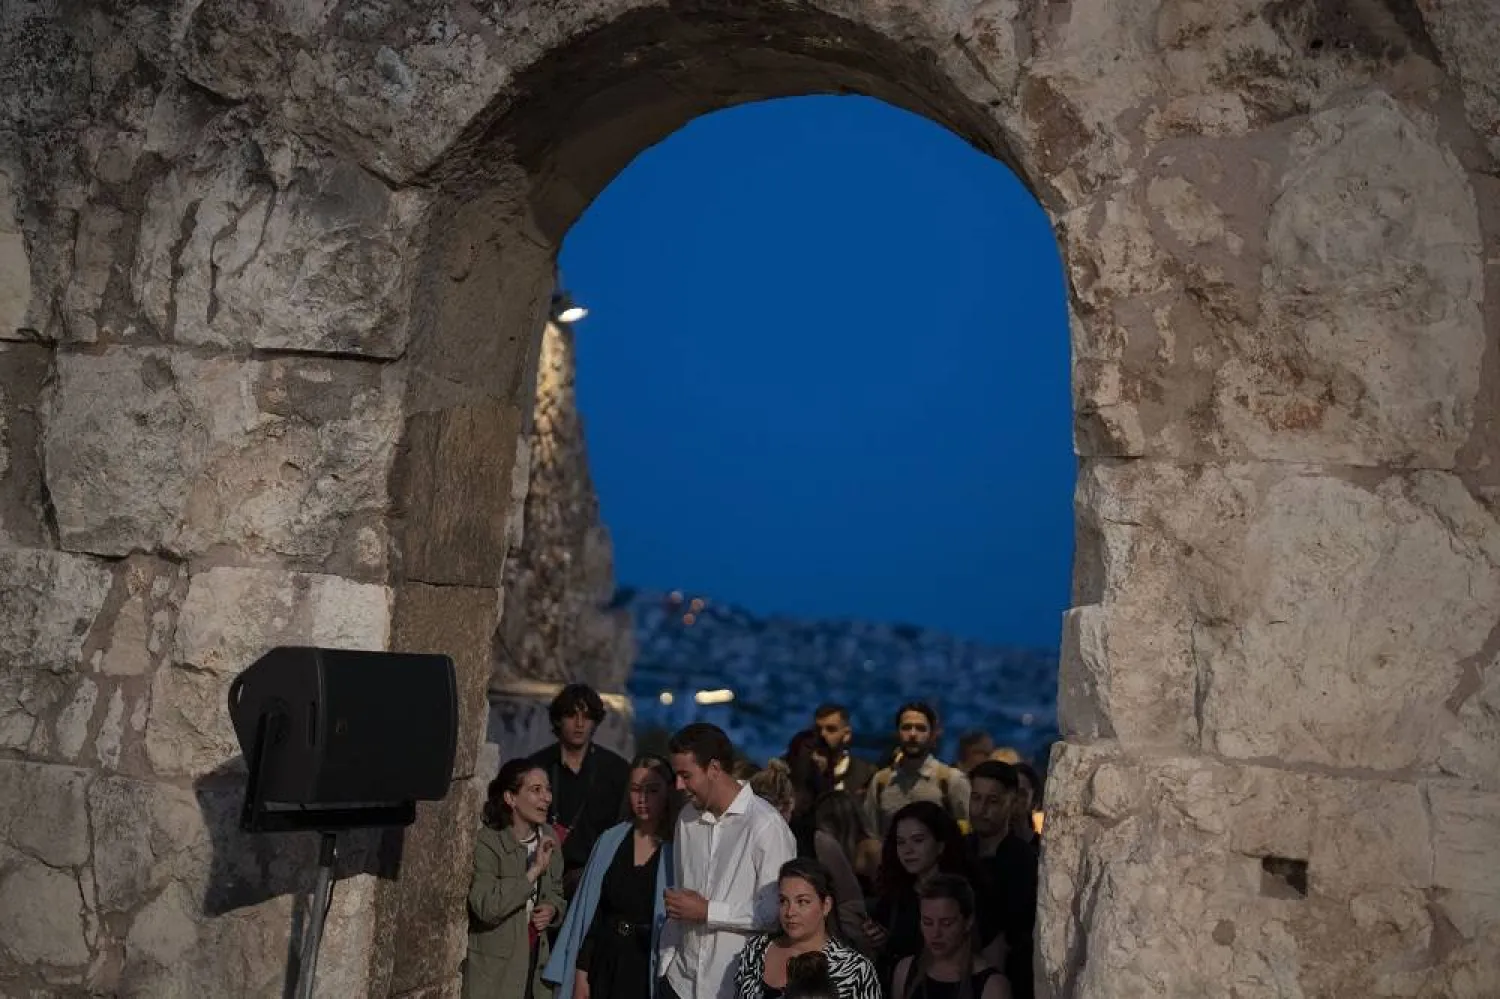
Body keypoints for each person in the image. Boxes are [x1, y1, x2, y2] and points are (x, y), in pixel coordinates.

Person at [658, 723, 797, 999]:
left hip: (733, 987)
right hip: (680, 983)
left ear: (714, 768)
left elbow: (776, 912)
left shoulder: (766, 826)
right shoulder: (686, 818)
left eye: (686, 775)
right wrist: (665, 967)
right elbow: (681, 902)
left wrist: (709, 911)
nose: (679, 786)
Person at [544, 755, 681, 999]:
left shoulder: (677, 849)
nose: (643, 799)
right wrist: (581, 972)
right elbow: (593, 913)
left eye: (652, 790)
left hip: (647, 966)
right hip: (604, 961)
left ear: (668, 792)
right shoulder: (611, 840)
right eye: (636, 789)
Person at [466, 759, 566, 999]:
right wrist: (533, 871)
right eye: (536, 790)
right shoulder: (490, 841)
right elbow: (486, 906)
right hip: (495, 973)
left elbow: (557, 893)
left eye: (547, 789)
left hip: (536, 965)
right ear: (510, 798)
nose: (547, 798)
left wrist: (552, 910)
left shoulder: (549, 837)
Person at [749, 763, 873, 952]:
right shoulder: (742, 841)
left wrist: (828, 940)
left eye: (771, 813)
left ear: (789, 805)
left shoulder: (817, 842)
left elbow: (850, 901)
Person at [531, 684, 633, 897]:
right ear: (558, 719)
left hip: (596, 880)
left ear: (595, 721)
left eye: (586, 717)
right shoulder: (536, 766)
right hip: (541, 874)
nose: (579, 724)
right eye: (571, 715)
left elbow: (625, 828)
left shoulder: (616, 770)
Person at [732, 858, 881, 999]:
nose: (790, 912)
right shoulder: (756, 949)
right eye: (783, 901)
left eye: (802, 902)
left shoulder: (855, 969)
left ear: (826, 905)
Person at [864, 801, 972, 988]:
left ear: (940, 845)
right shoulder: (895, 895)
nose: (908, 850)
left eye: (918, 840)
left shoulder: (965, 894)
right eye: (900, 842)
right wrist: (879, 939)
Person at [966, 762, 1038, 999]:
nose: (981, 809)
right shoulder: (958, 851)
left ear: (1012, 803)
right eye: (976, 798)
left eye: (993, 801)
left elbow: (1017, 930)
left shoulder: (1023, 860)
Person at [891, 875, 1011, 999]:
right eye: (928, 922)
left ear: (968, 922)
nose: (935, 933)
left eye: (946, 923)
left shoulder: (993, 986)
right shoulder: (905, 971)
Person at [866, 704, 970, 836]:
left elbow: (969, 832)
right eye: (906, 728)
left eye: (921, 728)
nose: (913, 734)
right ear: (897, 733)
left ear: (932, 735)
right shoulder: (881, 782)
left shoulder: (951, 781)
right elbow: (871, 835)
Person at [813, 704, 877, 796]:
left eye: (831, 729)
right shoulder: (800, 771)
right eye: (818, 729)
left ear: (846, 735)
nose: (822, 734)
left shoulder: (866, 773)